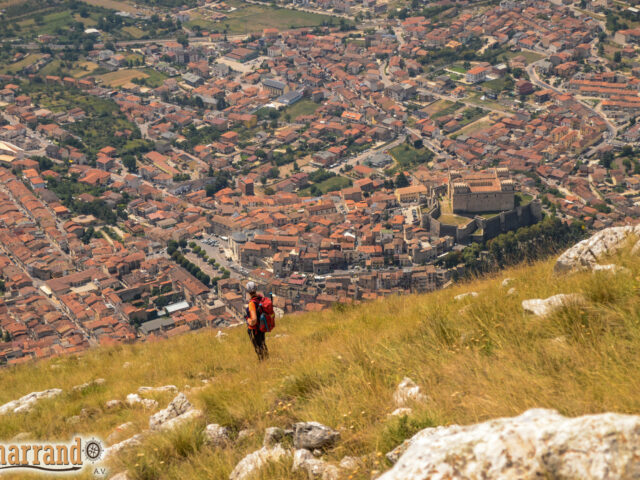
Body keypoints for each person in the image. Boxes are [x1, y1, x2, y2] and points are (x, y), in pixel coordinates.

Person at [245, 281, 269, 361]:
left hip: (254, 329)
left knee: (258, 348)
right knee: (263, 345)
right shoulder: (260, 299)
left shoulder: (252, 303)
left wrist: (247, 319)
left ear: (248, 291)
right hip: (262, 327)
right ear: (256, 289)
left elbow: (254, 320)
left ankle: (263, 364)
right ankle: (267, 361)